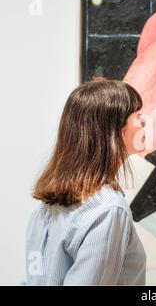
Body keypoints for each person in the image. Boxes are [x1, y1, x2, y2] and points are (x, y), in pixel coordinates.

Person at [24, 79, 147, 285]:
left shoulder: (44, 210)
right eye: (136, 115)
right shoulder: (108, 210)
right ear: (113, 130)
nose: (143, 122)